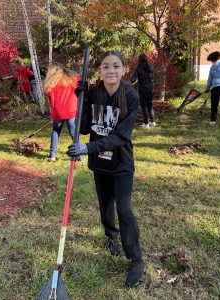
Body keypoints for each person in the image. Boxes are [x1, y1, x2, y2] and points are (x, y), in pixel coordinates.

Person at [67, 51, 145, 287]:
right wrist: (78, 98)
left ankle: (136, 258)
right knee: (105, 206)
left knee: (123, 208)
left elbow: (121, 136)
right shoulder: (93, 93)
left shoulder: (131, 97)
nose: (111, 70)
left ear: (123, 70)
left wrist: (88, 147)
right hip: (99, 163)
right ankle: (111, 237)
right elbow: (82, 129)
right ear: (99, 71)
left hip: (121, 164)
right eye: (105, 66)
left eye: (116, 66)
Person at [43, 62, 80, 161]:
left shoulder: (50, 84)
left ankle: (52, 155)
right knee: (73, 132)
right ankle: (80, 155)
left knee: (55, 131)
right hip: (71, 111)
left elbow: (50, 99)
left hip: (57, 112)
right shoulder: (72, 80)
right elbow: (81, 81)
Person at [131, 53, 155, 129]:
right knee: (150, 105)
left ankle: (146, 123)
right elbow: (151, 77)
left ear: (139, 60)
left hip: (143, 90)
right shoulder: (150, 67)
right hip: (150, 88)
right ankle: (152, 121)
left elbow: (133, 80)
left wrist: (136, 79)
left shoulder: (138, 68)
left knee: (144, 106)